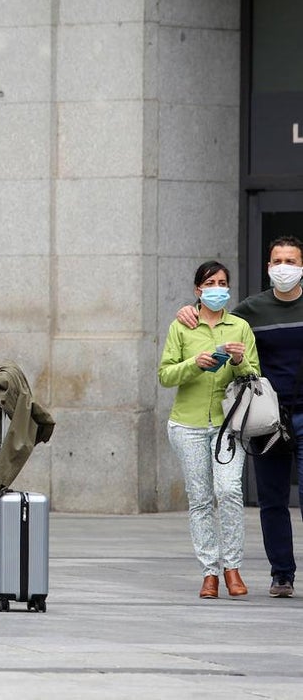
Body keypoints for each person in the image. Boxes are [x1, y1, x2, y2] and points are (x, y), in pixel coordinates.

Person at [176, 235, 303, 598]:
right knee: (273, 497)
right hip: (266, 416)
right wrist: (187, 308)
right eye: (278, 261)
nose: (284, 268)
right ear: (268, 267)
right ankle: (282, 575)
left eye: (291, 261)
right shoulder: (252, 310)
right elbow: (215, 318)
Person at [160, 261, 258, 599]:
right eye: (210, 283)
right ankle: (210, 572)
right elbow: (165, 375)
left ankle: (232, 567)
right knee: (200, 498)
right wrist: (194, 364)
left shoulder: (240, 327)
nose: (217, 288)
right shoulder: (182, 326)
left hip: (229, 424)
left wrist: (237, 361)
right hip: (187, 424)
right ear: (198, 290)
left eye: (222, 282)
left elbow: (253, 374)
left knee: (229, 491)